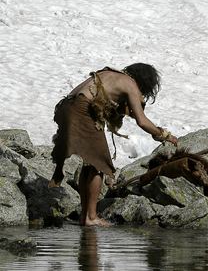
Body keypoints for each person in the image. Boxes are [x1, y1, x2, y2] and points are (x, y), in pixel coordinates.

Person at [49, 63, 178, 226]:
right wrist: (164, 135)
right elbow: (142, 121)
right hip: (82, 108)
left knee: (89, 164)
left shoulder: (111, 75)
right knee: (100, 164)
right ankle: (91, 217)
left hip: (67, 106)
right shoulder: (130, 84)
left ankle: (85, 216)